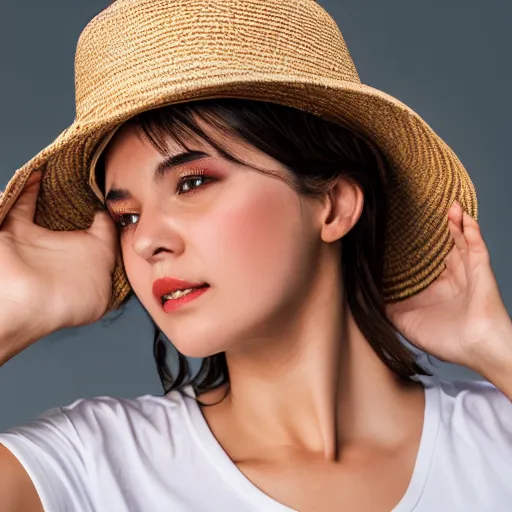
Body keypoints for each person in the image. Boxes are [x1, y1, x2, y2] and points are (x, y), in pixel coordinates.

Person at [0, 0, 511, 511]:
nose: (144, 241)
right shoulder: (88, 467)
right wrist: (13, 312)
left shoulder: (495, 441)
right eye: (126, 216)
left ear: (332, 206)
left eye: (192, 182)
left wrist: (493, 346)